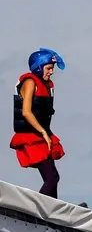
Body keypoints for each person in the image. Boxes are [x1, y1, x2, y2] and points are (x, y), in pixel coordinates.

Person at [10, 48, 66, 198]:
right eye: (49, 68)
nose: (51, 72)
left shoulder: (47, 85)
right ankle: (37, 210)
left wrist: (45, 133)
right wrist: (43, 132)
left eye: (52, 68)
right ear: (38, 68)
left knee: (53, 177)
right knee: (52, 178)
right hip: (31, 136)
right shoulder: (29, 82)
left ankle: (52, 212)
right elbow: (26, 112)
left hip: (43, 135)